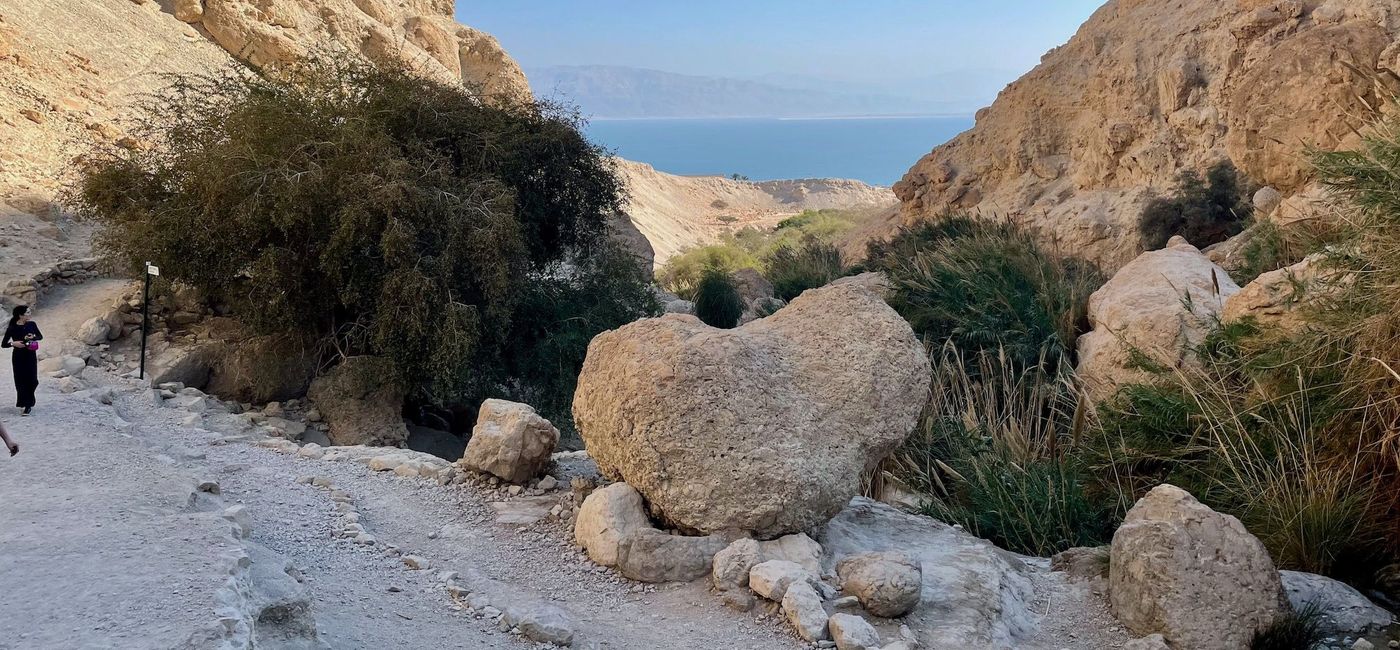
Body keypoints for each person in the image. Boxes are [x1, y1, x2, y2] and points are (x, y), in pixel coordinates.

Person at [3, 305, 42, 416]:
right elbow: (3, 344)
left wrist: (32, 336)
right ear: (21, 315)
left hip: (30, 354)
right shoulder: (12, 328)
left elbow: (40, 336)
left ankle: (28, 400)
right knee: (20, 380)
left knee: (33, 380)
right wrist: (13, 343)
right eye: (28, 312)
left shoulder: (32, 324)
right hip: (18, 356)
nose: (30, 314)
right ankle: (26, 404)